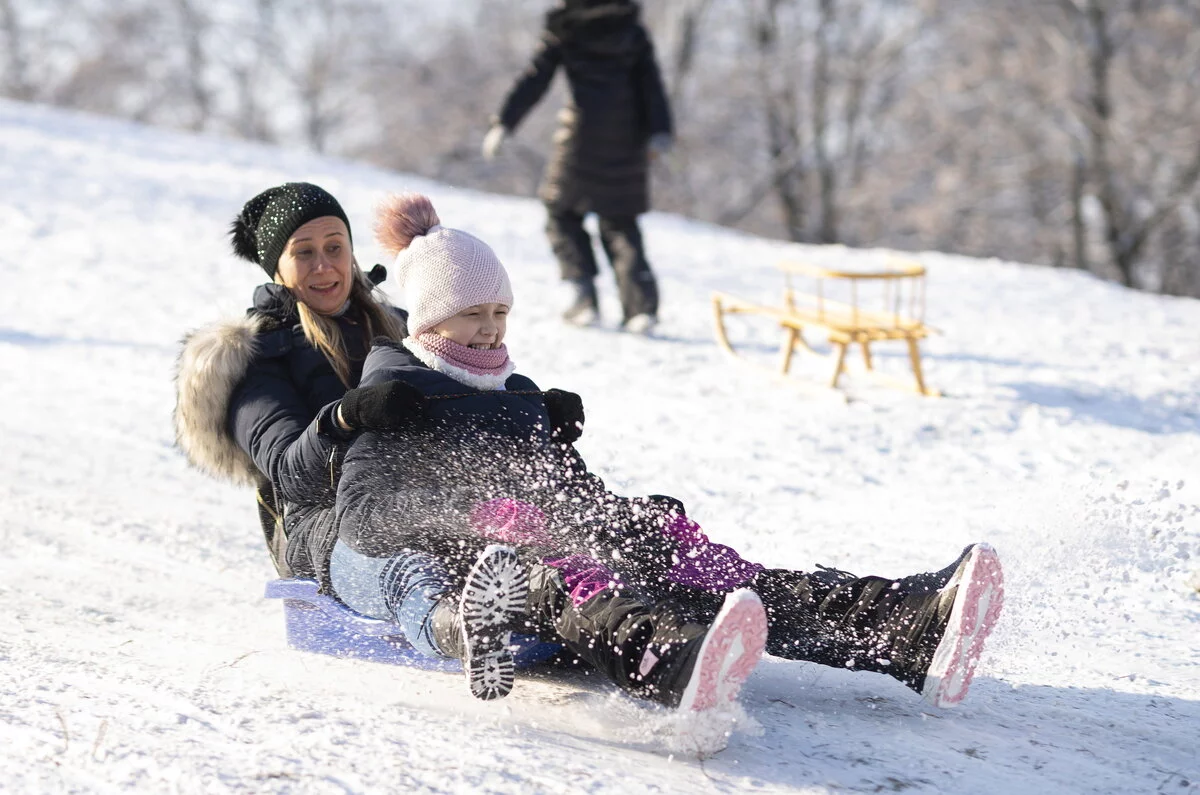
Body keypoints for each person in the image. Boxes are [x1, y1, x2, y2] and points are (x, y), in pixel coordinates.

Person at [332, 192, 1006, 711]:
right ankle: (672, 664)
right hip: (494, 571)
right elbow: (363, 516)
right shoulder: (397, 391)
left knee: (709, 568)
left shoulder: (519, 393)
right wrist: (473, 513)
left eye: (499, 313)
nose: (489, 329)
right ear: (429, 316)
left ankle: (900, 626)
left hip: (559, 535)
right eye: (471, 314)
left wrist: (627, 514)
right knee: (579, 579)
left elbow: (570, 489)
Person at [172, 182, 562, 701]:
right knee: (405, 568)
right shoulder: (257, 360)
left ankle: (593, 618)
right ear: (277, 268)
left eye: (335, 247)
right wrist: (342, 417)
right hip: (323, 528)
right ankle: (461, 629)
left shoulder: (400, 325)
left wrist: (530, 411)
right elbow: (287, 473)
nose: (324, 266)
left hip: (418, 501)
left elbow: (465, 399)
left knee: (528, 528)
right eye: (303, 253)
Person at [482, 0, 672, 333]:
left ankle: (581, 294)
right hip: (627, 138)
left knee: (561, 211)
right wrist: (660, 131)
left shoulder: (565, 28)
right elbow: (651, 83)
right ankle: (640, 308)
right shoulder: (631, 29)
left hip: (580, 136)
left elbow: (535, 78)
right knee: (620, 220)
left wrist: (504, 122)